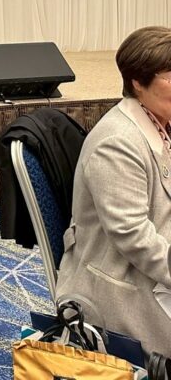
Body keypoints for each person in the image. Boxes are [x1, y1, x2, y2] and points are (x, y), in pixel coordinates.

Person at [56, 26, 171, 355]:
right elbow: (135, 237)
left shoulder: (161, 121)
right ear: (138, 82)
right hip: (124, 282)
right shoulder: (118, 142)